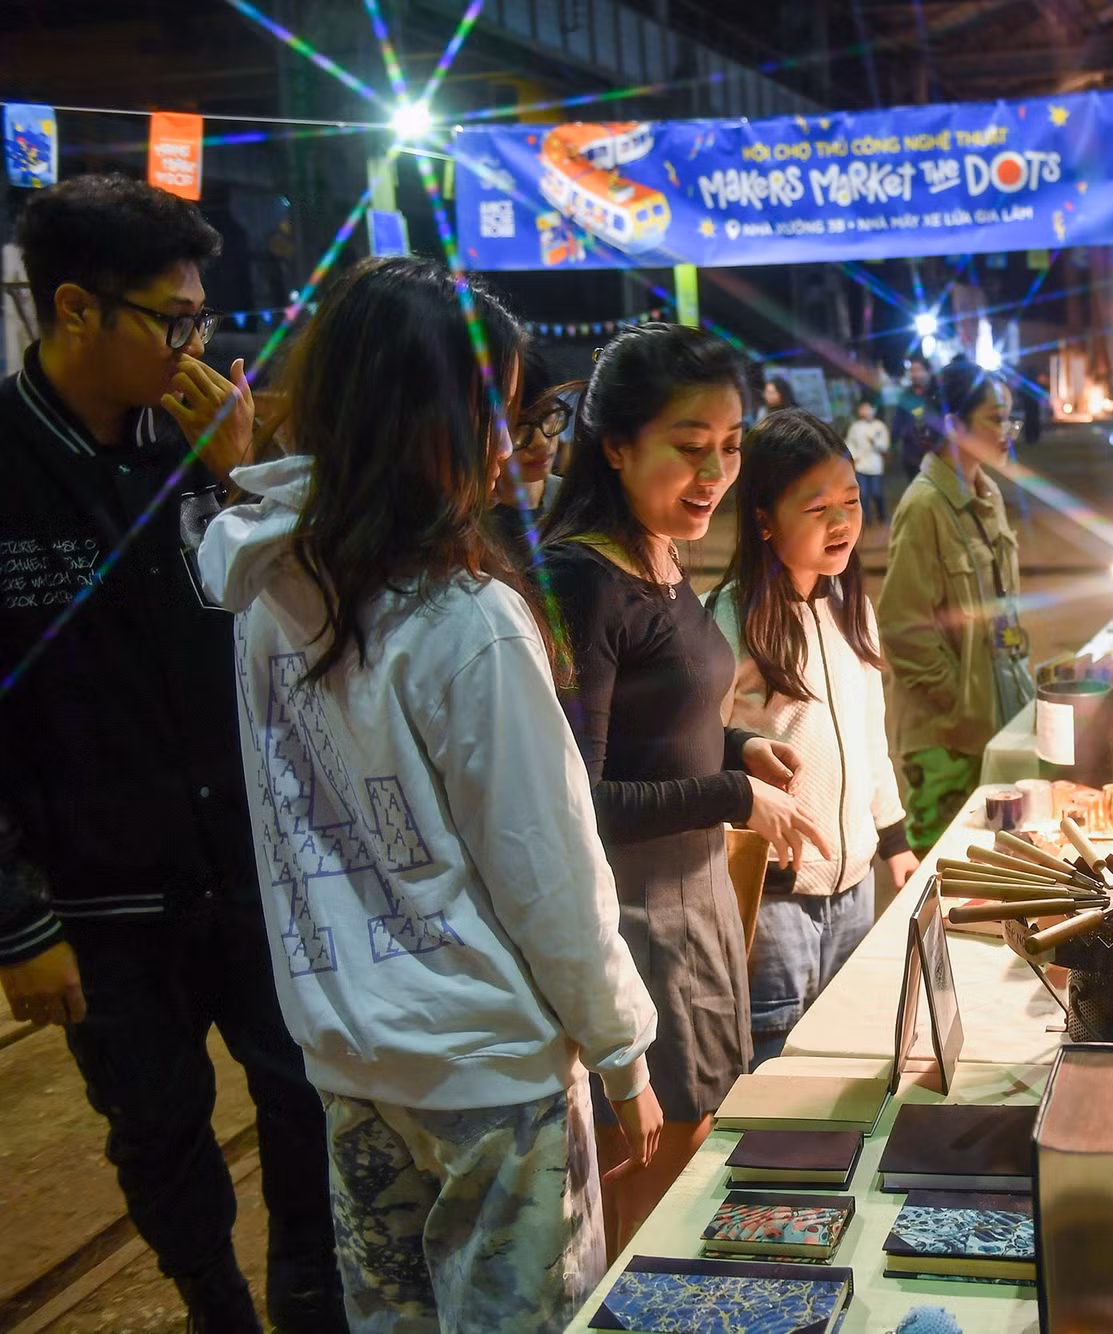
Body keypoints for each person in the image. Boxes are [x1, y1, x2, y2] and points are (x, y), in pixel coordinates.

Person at [195, 255, 662, 1332]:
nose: (523, 439)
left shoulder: (271, 592)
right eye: (501, 407)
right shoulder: (466, 620)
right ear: (435, 418)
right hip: (488, 1076)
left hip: (351, 1054)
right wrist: (621, 1047)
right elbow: (547, 871)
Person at [0, 173, 346, 1334]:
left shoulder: (201, 443)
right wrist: (19, 920)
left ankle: (308, 1293)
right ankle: (217, 1307)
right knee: (158, 1128)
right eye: (171, 318)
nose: (196, 344)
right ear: (74, 309)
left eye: (202, 316)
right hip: (101, 898)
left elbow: (310, 628)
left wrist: (238, 474)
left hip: (249, 867)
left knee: (303, 1096)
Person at [539, 323, 833, 1245]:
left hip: (697, 909)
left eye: (731, 447)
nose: (715, 473)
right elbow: (576, 802)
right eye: (689, 447)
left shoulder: (659, 556)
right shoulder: (582, 580)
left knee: (697, 1141)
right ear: (617, 446)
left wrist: (737, 746)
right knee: (652, 1185)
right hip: (637, 928)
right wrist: (733, 796)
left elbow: (657, 726)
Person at [709, 408, 920, 1068]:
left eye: (851, 502)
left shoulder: (850, 605)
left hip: (855, 888)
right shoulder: (729, 617)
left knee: (846, 1056)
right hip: (776, 901)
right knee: (779, 1065)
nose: (842, 523)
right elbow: (704, 747)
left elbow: (870, 736)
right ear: (765, 517)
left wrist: (894, 843)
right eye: (817, 507)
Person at [879, 357, 1033, 852]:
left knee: (995, 867)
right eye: (995, 417)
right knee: (943, 871)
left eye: (1011, 417)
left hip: (995, 721)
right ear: (952, 422)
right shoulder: (924, 506)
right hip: (946, 740)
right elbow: (903, 628)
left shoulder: (988, 497)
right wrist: (956, 698)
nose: (1008, 429)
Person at [491, 343, 569, 570]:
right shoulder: (471, 526)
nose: (541, 442)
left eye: (549, 416)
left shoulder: (574, 504)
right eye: (520, 426)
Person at [890, 354, 937, 478]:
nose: (914, 374)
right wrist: (893, 441)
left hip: (935, 454)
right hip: (912, 454)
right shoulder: (906, 396)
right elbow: (898, 420)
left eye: (919, 370)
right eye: (912, 371)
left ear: (928, 372)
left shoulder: (937, 394)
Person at [844, 396, 890, 524]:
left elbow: (884, 446)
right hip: (860, 465)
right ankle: (867, 519)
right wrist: (853, 457)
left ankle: (883, 516)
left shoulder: (879, 426)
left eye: (868, 408)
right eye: (862, 408)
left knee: (877, 492)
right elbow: (850, 443)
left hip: (875, 466)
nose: (865, 411)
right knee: (863, 494)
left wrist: (875, 441)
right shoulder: (855, 427)